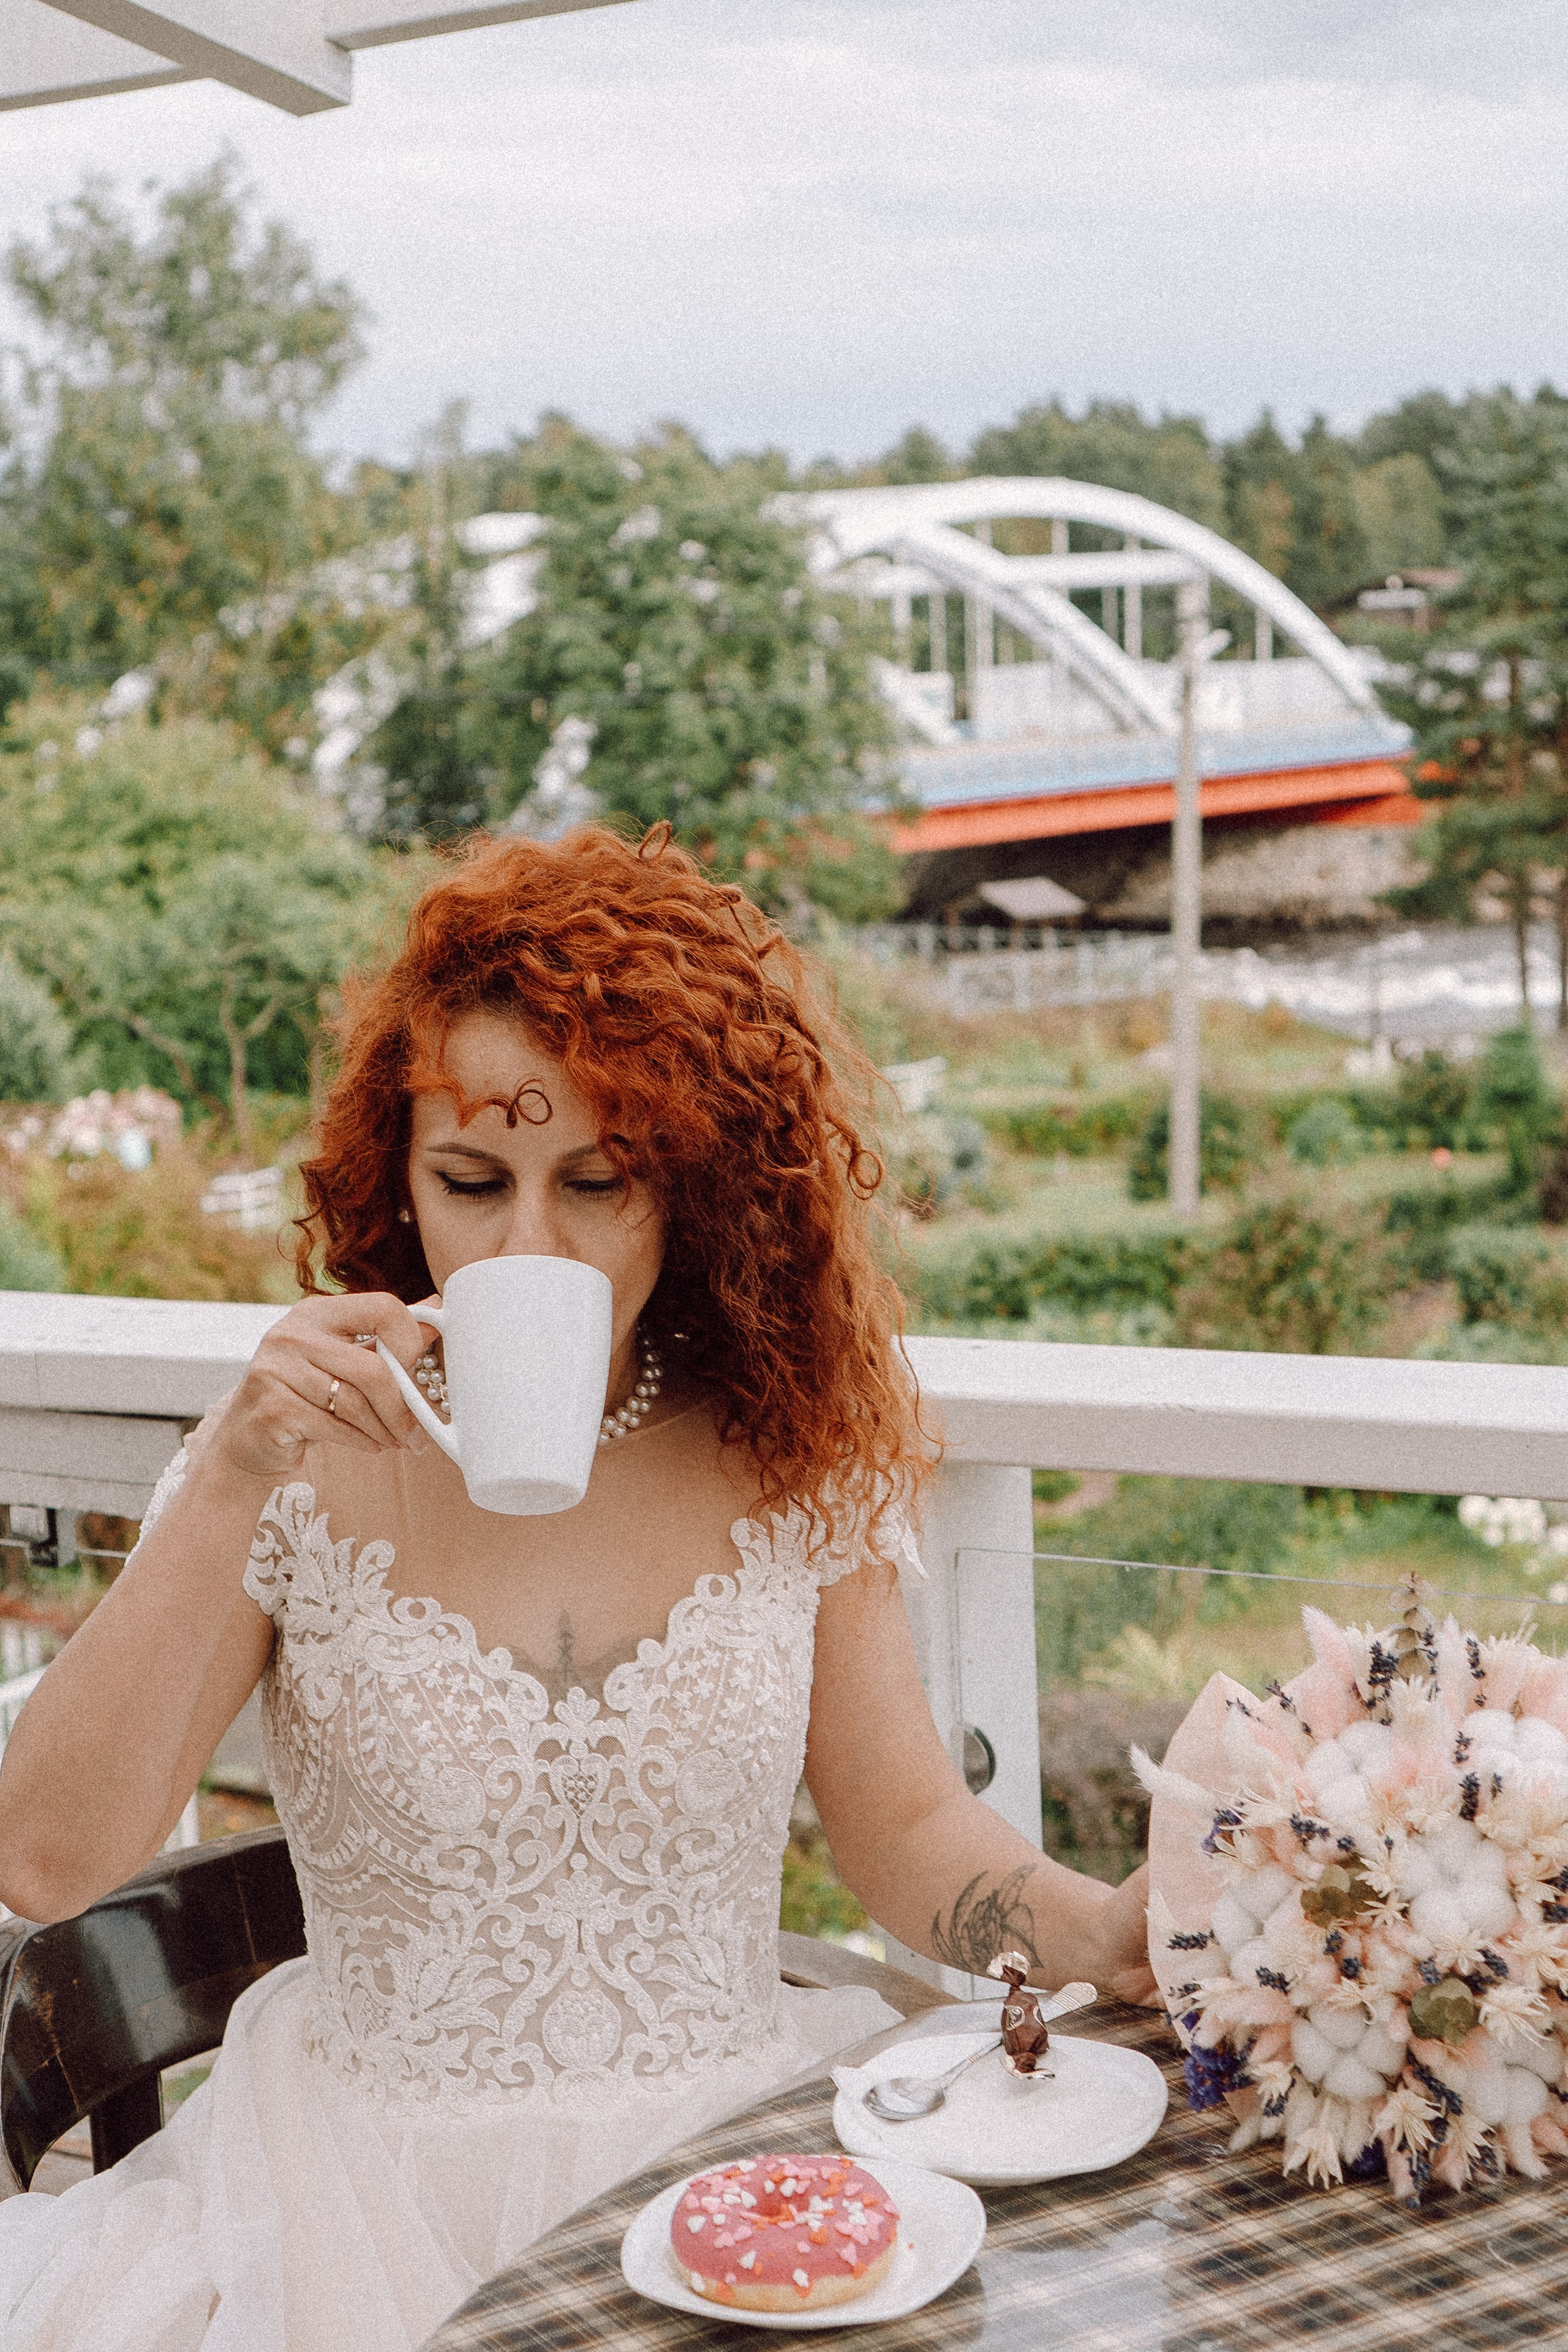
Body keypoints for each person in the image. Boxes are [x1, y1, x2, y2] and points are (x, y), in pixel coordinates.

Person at [0, 827, 1148, 2351]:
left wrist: (1095, 1928)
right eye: (471, 1179)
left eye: (597, 1180)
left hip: (730, 2159)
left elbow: (905, 1824)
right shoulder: (289, 1459)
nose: (524, 1244)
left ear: (697, 1191)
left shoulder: (790, 1444)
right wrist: (223, 1477)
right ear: (399, 1181)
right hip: (352, 2204)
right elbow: (50, 1863)